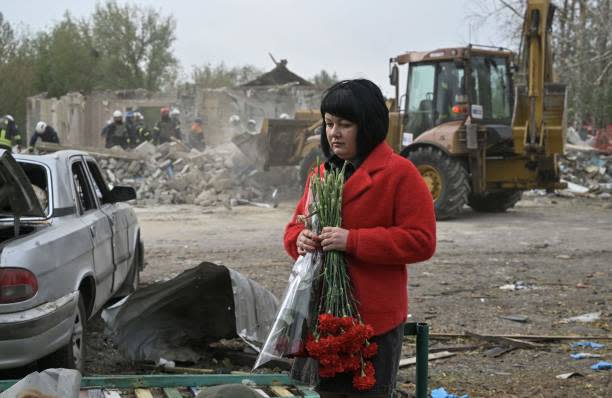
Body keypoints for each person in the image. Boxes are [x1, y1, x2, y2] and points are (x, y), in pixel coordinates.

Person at [284, 79, 436, 398]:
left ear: (367, 126)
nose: (334, 133)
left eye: (345, 124)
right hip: (324, 318)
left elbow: (421, 240)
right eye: (329, 124)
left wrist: (353, 241)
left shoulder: (400, 173)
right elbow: (294, 228)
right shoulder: (322, 174)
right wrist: (300, 240)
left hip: (372, 323)